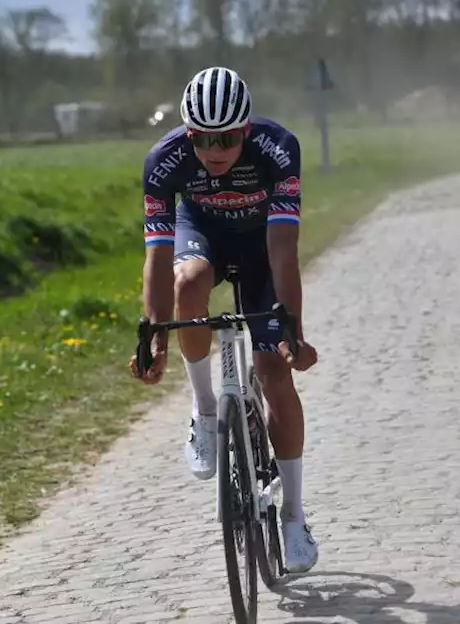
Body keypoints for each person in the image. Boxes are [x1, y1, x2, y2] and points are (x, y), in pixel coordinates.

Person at [129, 66, 320, 574]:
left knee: (275, 372)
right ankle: (205, 408)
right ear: (186, 134)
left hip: (262, 247)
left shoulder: (278, 149)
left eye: (228, 138)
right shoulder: (163, 162)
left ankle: (295, 516)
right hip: (203, 236)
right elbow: (157, 255)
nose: (214, 150)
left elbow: (283, 251)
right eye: (201, 139)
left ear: (248, 129)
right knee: (188, 285)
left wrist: (292, 333)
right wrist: (153, 336)